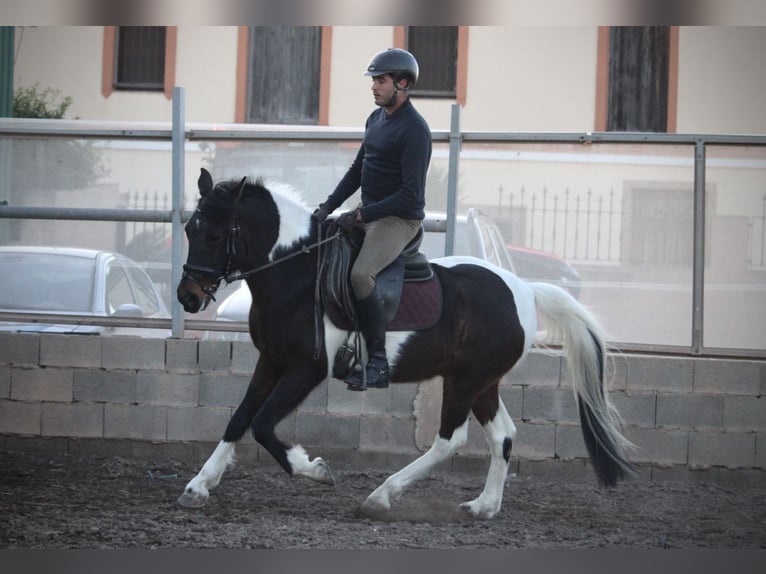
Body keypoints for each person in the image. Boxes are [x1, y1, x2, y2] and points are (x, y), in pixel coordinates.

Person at [313, 48, 432, 391]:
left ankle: (377, 363)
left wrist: (362, 214)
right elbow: (357, 171)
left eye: (381, 80)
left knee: (361, 275)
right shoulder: (374, 120)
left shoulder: (415, 130)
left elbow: (411, 195)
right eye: (374, 81)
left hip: (397, 220)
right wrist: (327, 207)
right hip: (370, 212)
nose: (374, 87)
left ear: (403, 83)